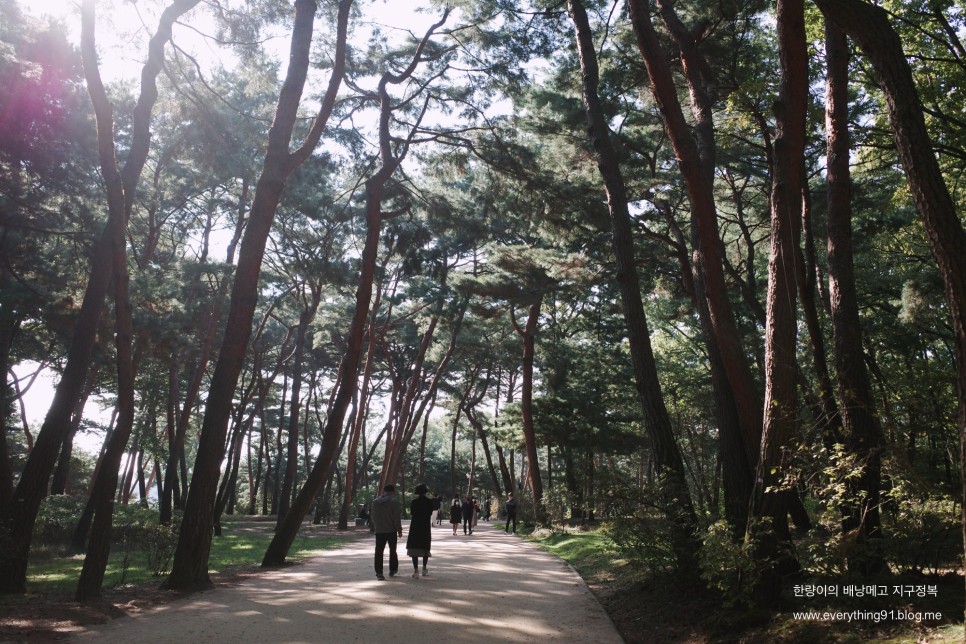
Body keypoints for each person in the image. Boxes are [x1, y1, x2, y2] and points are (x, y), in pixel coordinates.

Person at [370, 484, 403, 580]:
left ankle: (379, 572)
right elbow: (396, 517)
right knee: (392, 551)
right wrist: (399, 530)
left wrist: (376, 526)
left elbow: (373, 516)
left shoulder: (375, 502)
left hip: (379, 530)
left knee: (379, 552)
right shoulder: (394, 502)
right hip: (391, 530)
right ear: (393, 491)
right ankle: (393, 569)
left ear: (384, 491)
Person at [406, 484, 434, 578]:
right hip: (425, 525)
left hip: (415, 525)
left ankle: (416, 570)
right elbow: (430, 513)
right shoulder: (429, 502)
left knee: (414, 547)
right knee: (425, 546)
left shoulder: (414, 502)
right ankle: (424, 568)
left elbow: (412, 513)